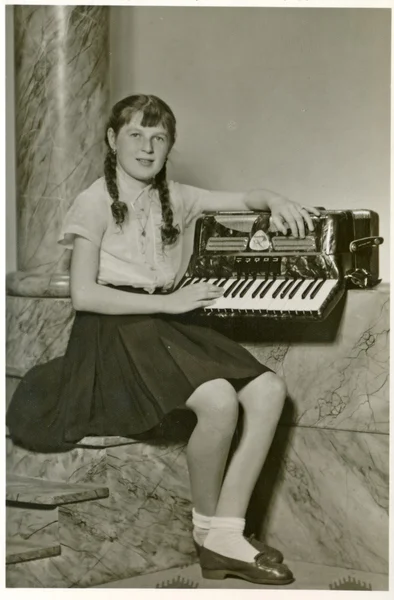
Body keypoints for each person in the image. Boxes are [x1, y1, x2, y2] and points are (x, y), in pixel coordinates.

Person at [7, 94, 320, 585]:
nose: (147, 147)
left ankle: (226, 532)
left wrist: (275, 199)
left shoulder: (177, 195)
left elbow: (243, 199)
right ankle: (208, 535)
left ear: (170, 144)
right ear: (113, 140)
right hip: (112, 331)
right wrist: (169, 303)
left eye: (159, 138)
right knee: (218, 402)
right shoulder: (92, 201)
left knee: (270, 391)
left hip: (161, 325)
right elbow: (85, 296)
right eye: (136, 135)